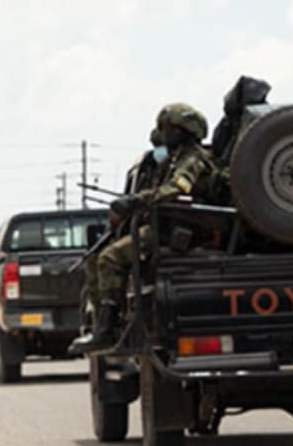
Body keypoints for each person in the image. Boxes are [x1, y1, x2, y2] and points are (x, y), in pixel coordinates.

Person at [73, 103, 215, 354]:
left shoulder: (194, 159)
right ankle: (104, 326)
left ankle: (106, 332)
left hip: (179, 230)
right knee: (96, 258)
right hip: (165, 226)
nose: (163, 134)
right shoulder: (175, 159)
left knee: (110, 258)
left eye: (168, 129)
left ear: (184, 131)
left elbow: (177, 190)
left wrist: (137, 201)